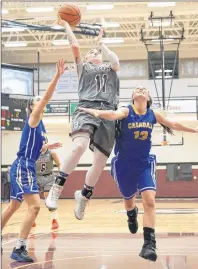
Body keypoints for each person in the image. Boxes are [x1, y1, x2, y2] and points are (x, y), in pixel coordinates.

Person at [78, 86, 198, 262]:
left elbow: (173, 124)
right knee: (128, 202)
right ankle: (131, 213)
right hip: (123, 165)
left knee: (149, 199)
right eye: (137, 89)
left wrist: (193, 130)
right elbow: (112, 115)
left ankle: (149, 244)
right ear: (133, 96)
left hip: (144, 163)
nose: (141, 89)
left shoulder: (153, 114)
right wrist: (94, 112)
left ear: (148, 97)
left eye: (144, 89)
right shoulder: (126, 111)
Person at [46, 18, 120, 221]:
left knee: (99, 162)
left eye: (96, 52)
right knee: (79, 146)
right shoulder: (83, 68)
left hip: (108, 113)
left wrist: (101, 43)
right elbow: (75, 45)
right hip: (87, 108)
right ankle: (57, 187)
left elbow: (115, 61)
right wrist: (67, 26)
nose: (94, 53)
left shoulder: (110, 68)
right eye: (91, 52)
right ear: (86, 59)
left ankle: (84, 196)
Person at [1, 59, 66, 262]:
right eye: (37, 100)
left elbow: (37, 148)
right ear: (32, 107)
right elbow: (47, 97)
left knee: (13, 206)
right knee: (35, 207)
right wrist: (57, 76)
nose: (41, 102)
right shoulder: (34, 118)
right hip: (23, 166)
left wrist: (47, 147)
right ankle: (19, 247)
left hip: (27, 166)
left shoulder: (41, 126)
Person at [33, 142, 61, 230]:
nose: (42, 144)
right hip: (36, 177)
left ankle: (54, 220)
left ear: (46, 143)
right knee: (33, 199)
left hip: (49, 177)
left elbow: (59, 164)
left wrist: (61, 175)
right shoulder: (34, 153)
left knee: (48, 198)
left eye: (43, 142)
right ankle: (32, 219)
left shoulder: (52, 153)